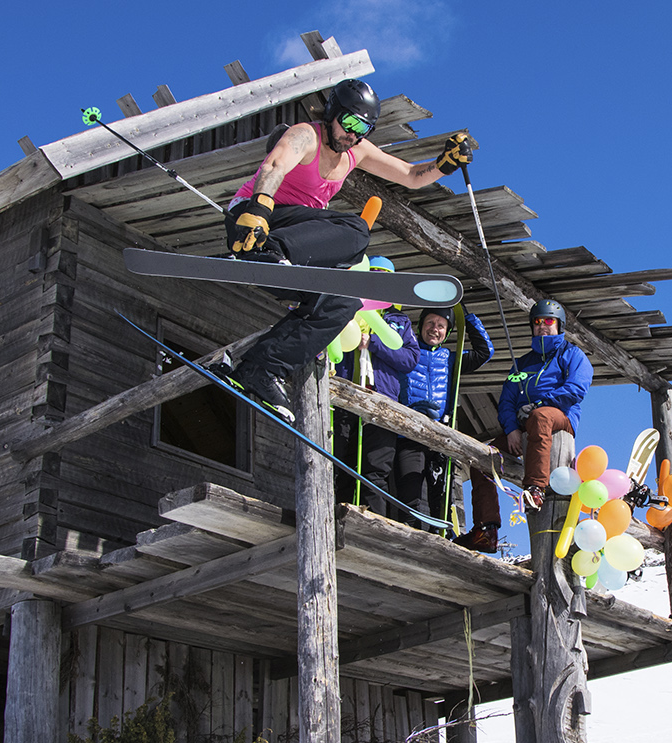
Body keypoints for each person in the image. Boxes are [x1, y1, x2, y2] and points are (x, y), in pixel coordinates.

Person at [216, 78, 475, 423]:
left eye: (363, 129)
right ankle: (266, 255)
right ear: (333, 113)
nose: (353, 135)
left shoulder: (357, 151)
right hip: (255, 221)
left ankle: (262, 367)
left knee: (342, 302)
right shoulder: (306, 135)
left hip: (294, 240)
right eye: (350, 123)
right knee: (356, 230)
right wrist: (259, 210)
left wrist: (445, 163)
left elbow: (411, 175)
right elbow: (274, 166)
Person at [454, 300, 593, 551]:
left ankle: (535, 489)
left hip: (559, 419)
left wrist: (541, 403)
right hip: (524, 426)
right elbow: (506, 400)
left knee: (541, 417)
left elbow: (576, 389)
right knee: (482, 454)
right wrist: (511, 429)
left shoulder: (571, 354)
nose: (542, 326)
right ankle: (486, 528)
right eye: (538, 322)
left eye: (549, 321)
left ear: (559, 325)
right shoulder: (522, 364)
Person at [331, 260, 417, 518]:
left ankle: (373, 521)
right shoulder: (347, 309)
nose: (379, 282)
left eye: (385, 278)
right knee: (340, 461)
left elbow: (409, 359)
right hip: (345, 395)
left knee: (376, 468)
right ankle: (337, 514)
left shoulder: (399, 320)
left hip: (382, 402)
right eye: (374, 276)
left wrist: (375, 343)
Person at [396, 306, 493, 532]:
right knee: (410, 487)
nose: (435, 329)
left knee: (439, 491)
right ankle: (410, 534)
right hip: (409, 430)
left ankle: (439, 535)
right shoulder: (408, 352)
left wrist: (468, 319)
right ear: (420, 326)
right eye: (430, 323)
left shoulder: (450, 359)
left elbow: (485, 352)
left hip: (439, 435)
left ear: (447, 332)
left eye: (441, 326)